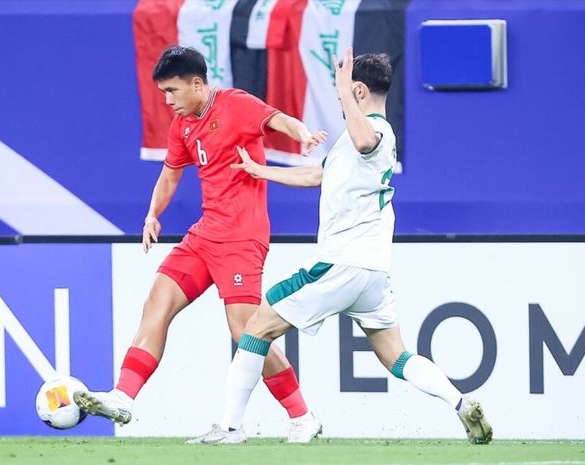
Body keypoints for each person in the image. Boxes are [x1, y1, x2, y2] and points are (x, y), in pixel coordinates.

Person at [187, 49, 493, 445]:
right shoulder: (356, 143)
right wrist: (262, 171)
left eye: (345, 96)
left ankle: (230, 428)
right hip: (373, 274)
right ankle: (461, 403)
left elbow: (365, 138)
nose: (340, 103)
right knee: (396, 357)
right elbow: (320, 174)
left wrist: (343, 89)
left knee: (255, 328)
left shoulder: (373, 132)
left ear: (359, 91)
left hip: (341, 264)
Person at [73, 45, 328, 443]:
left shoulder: (236, 104)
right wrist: (152, 214)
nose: (168, 100)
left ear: (197, 83)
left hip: (242, 237)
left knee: (247, 333)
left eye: (173, 91)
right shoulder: (183, 126)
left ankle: (303, 416)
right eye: (163, 93)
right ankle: (124, 397)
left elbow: (280, 120)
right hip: (205, 234)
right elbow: (170, 176)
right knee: (157, 301)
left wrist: (304, 135)